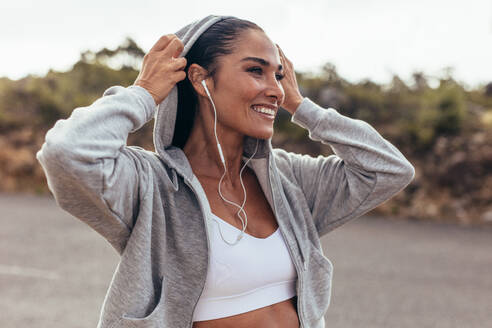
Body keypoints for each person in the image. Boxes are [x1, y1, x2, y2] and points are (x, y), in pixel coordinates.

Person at [36, 15, 415, 328]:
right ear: (201, 79)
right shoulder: (150, 186)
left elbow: (389, 170)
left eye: (278, 75)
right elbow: (66, 152)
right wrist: (144, 93)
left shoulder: (288, 181)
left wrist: (302, 107)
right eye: (256, 71)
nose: (276, 90)